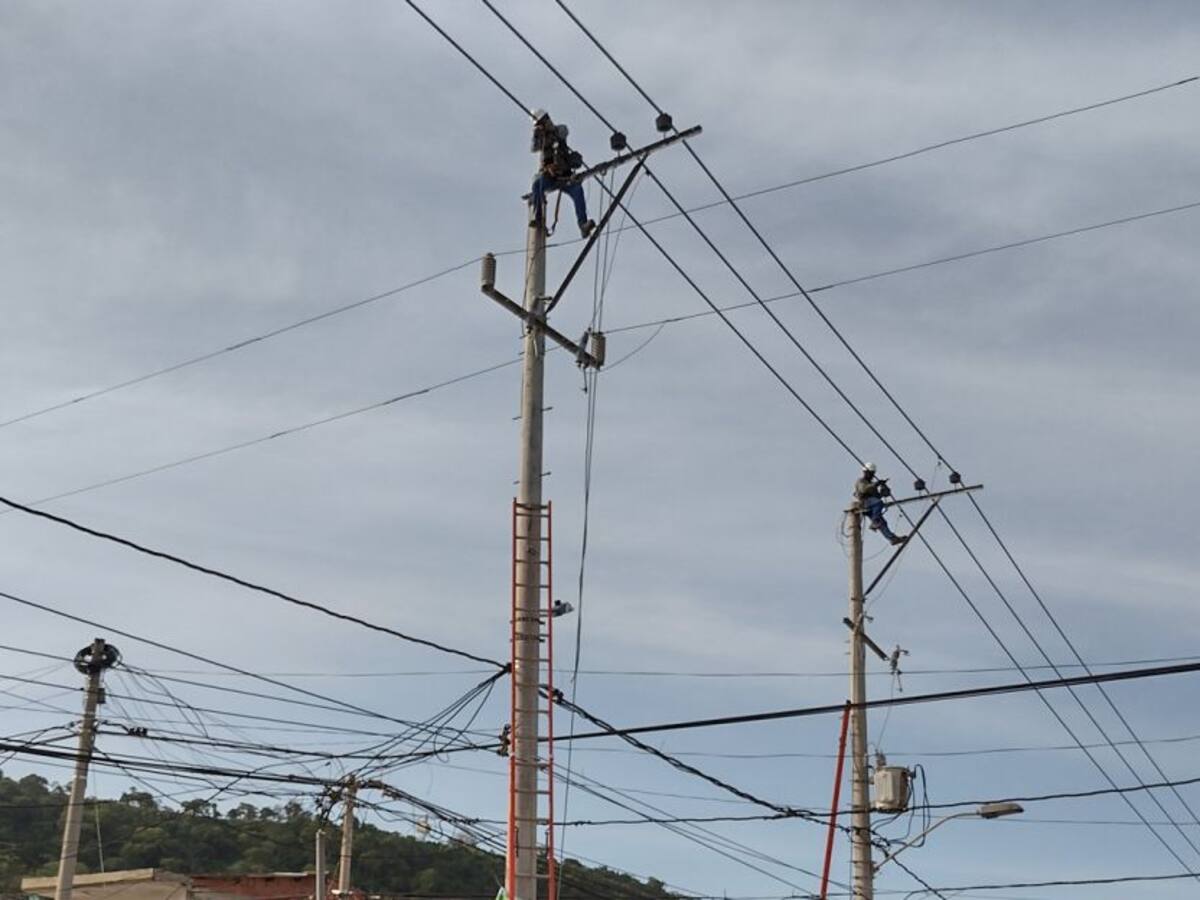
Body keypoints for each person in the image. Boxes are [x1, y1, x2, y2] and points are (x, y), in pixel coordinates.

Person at [530, 110, 595, 239]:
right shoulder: (540, 139)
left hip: (565, 175)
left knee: (577, 191)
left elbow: (564, 131)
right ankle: (538, 218)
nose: (545, 124)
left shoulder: (559, 130)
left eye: (545, 121)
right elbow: (533, 148)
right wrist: (536, 134)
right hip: (550, 177)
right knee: (537, 185)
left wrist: (549, 133)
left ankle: (583, 225)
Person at [854, 462, 907, 546]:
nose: (871, 475)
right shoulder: (861, 481)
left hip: (872, 506)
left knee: (882, 523)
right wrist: (876, 484)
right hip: (864, 502)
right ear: (865, 472)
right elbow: (863, 489)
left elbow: (877, 496)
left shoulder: (871, 484)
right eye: (870, 473)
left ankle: (892, 538)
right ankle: (875, 521)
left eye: (872, 473)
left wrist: (883, 490)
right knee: (878, 503)